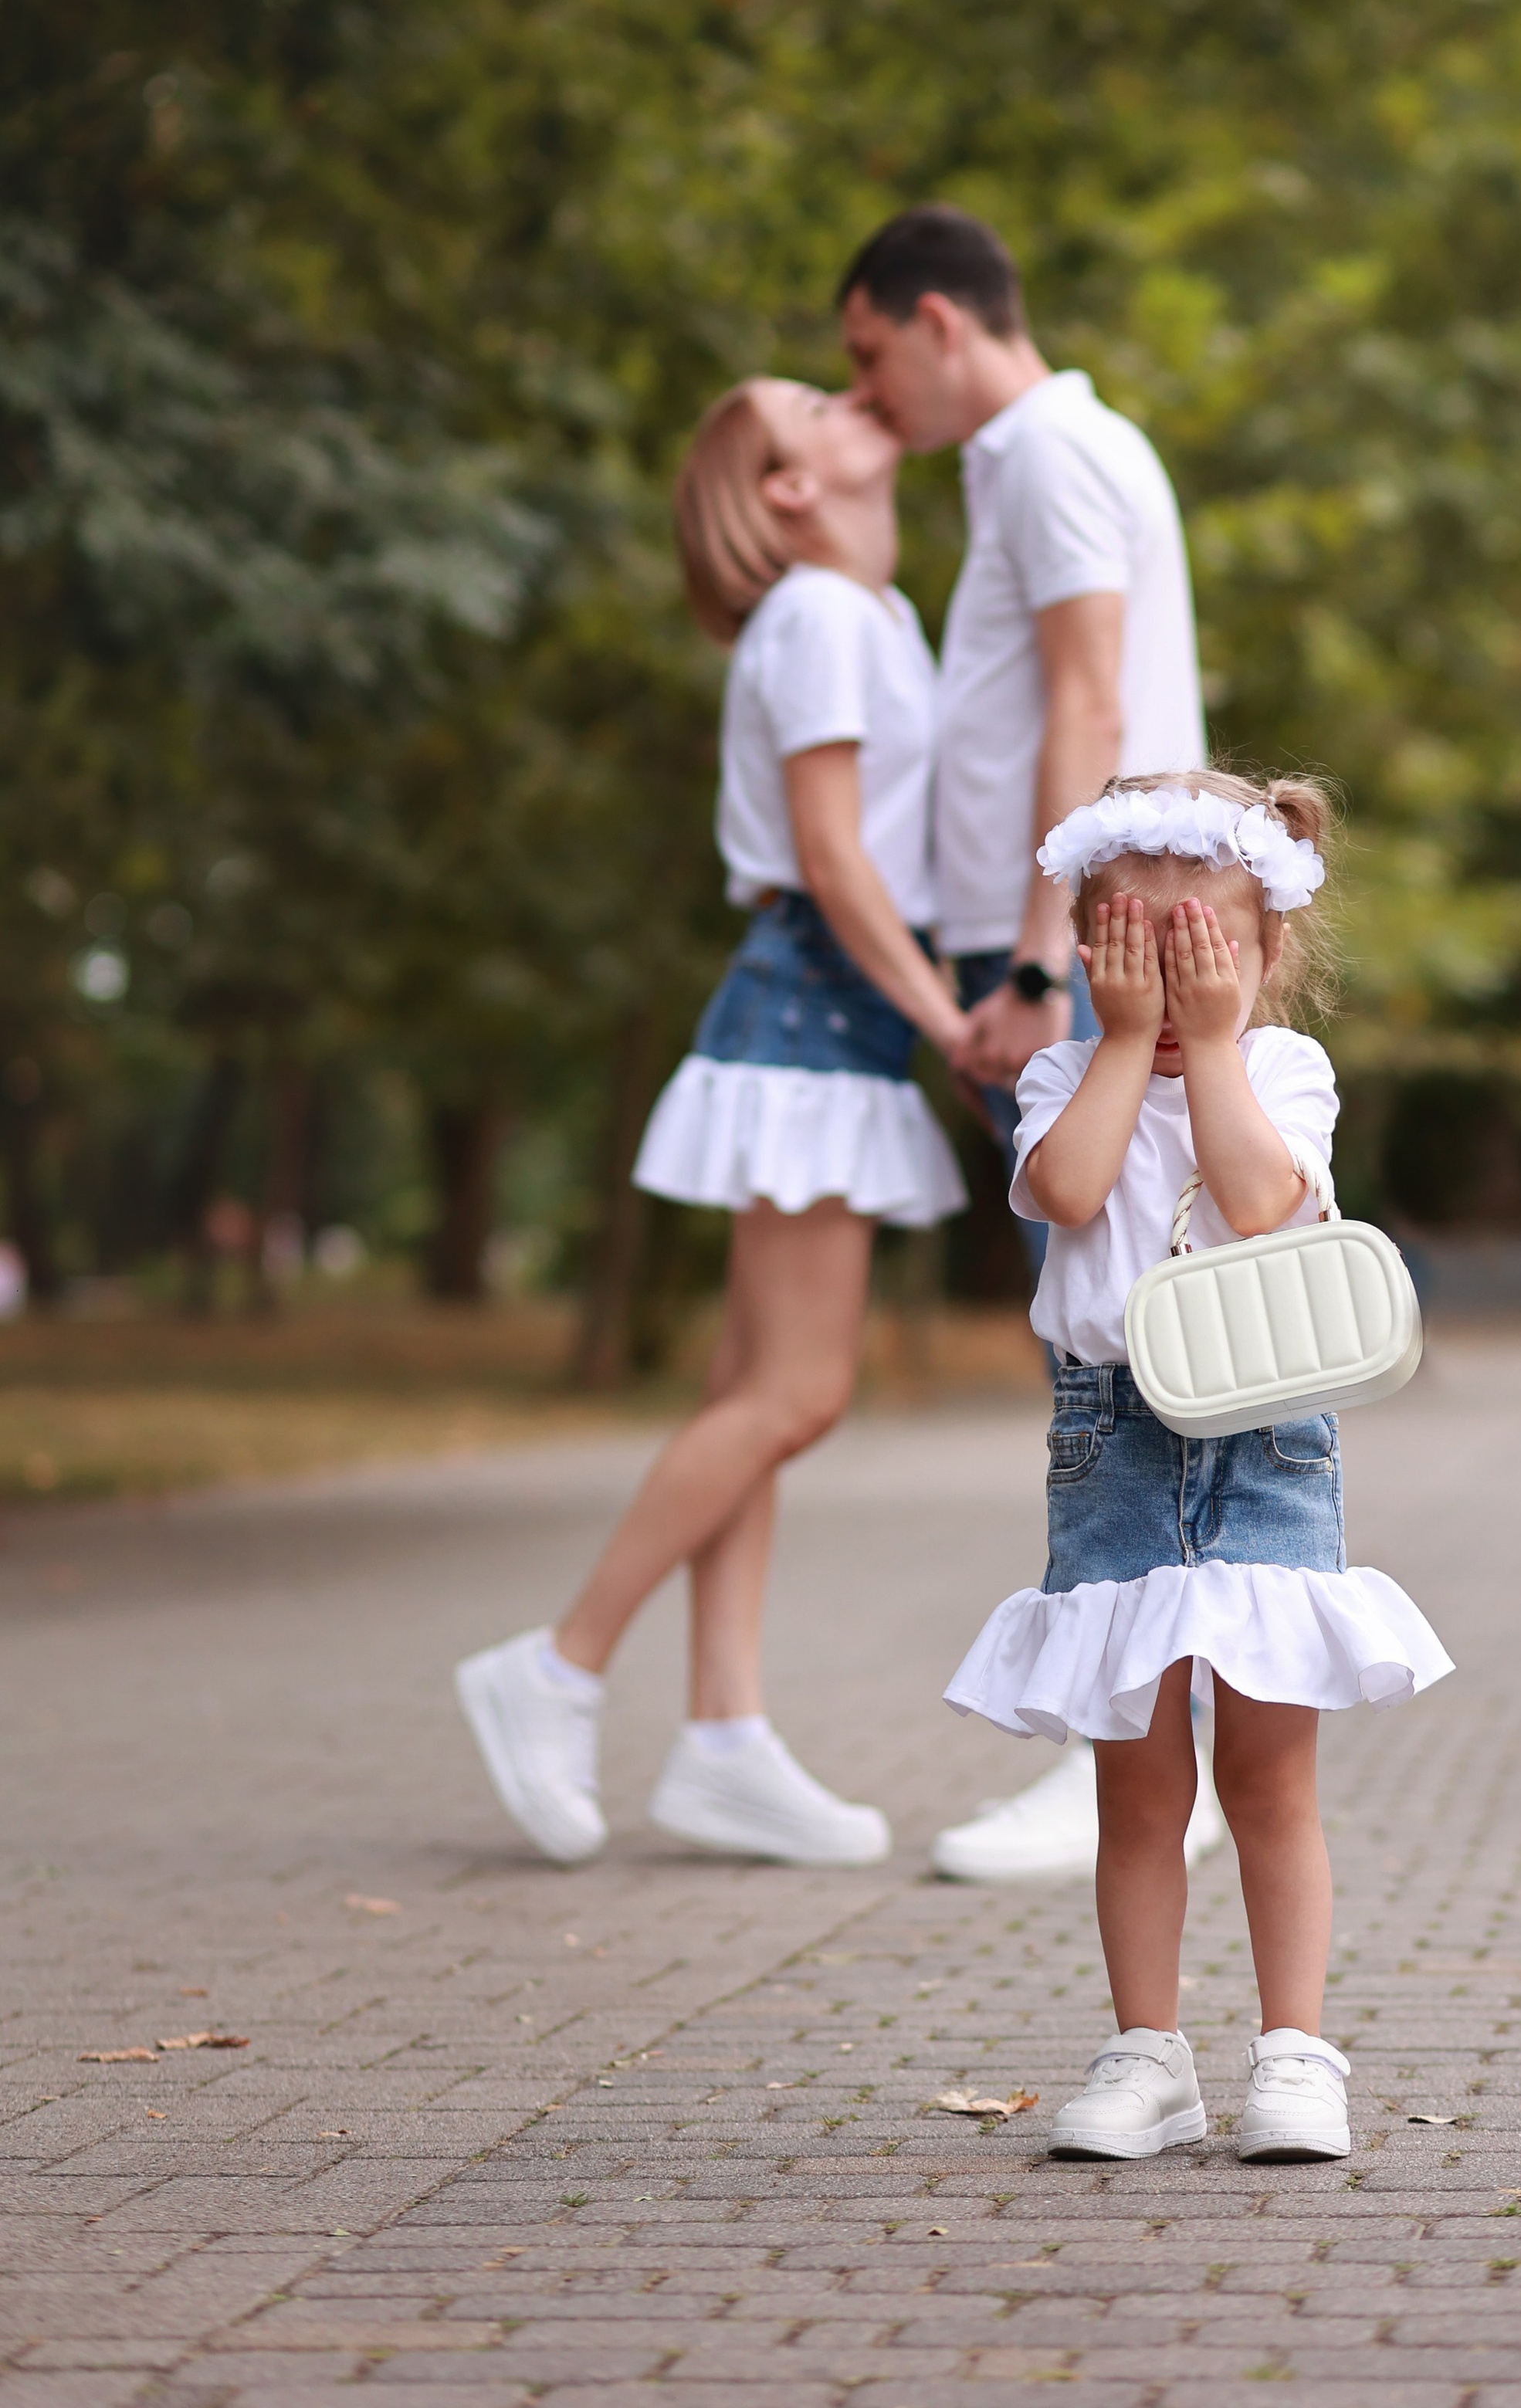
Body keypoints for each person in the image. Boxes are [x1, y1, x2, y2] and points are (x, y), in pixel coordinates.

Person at [455, 378, 971, 1869]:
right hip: (817, 1004)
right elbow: (828, 851)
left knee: (755, 1390)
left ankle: (725, 1738)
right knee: (795, 1396)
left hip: (832, 1014)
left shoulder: (875, 615)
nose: (851, 390)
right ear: (789, 487)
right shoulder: (815, 615)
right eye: (810, 401)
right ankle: (556, 1666)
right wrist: (944, 1015)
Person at [945, 770, 1453, 2159]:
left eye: (1195, 951)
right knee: (1137, 1781)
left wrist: (1215, 1046)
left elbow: (1259, 1200)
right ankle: (1148, 2054)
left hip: (1265, 1439)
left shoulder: (1286, 1072)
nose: (1165, 985)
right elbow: (1065, 1195)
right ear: (1088, 946)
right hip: (1110, 1441)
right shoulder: (1066, 1072)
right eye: (1132, 949)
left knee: (1270, 1780)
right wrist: (1118, 1043)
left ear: (1262, 950)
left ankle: (1295, 2053)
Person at [838, 202, 1219, 1881]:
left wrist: (1024, 957)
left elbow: (1084, 697)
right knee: (1096, 1343)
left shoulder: (1048, 449)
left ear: (938, 320)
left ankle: (1129, 1766)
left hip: (1085, 955)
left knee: (1108, 1353)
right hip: (1085, 952)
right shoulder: (1033, 457)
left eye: (867, 356)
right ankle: (1137, 1750)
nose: (867, 403)